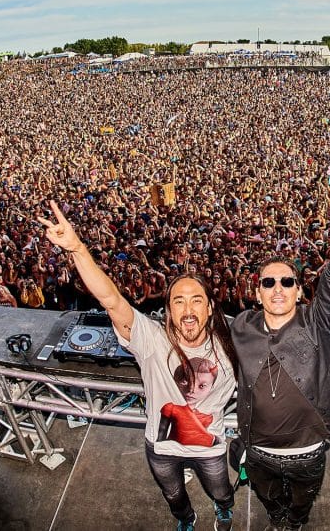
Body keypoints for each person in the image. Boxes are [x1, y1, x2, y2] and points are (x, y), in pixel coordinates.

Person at [39, 200, 238, 531]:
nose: (188, 309)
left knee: (221, 489)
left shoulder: (231, 346)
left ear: (209, 307)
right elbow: (112, 299)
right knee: (173, 494)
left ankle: (223, 509)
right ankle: (186, 519)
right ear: (169, 311)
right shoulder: (153, 341)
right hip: (161, 448)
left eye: (196, 300)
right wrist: (76, 249)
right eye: (179, 301)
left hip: (210, 445)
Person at [231, 146, 330, 531]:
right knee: (269, 501)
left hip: (309, 452)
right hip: (257, 450)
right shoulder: (239, 327)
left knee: (301, 504)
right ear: (257, 292)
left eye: (287, 281)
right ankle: (278, 518)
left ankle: (294, 522)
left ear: (299, 291)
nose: (277, 288)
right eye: (268, 282)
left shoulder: (315, 321)